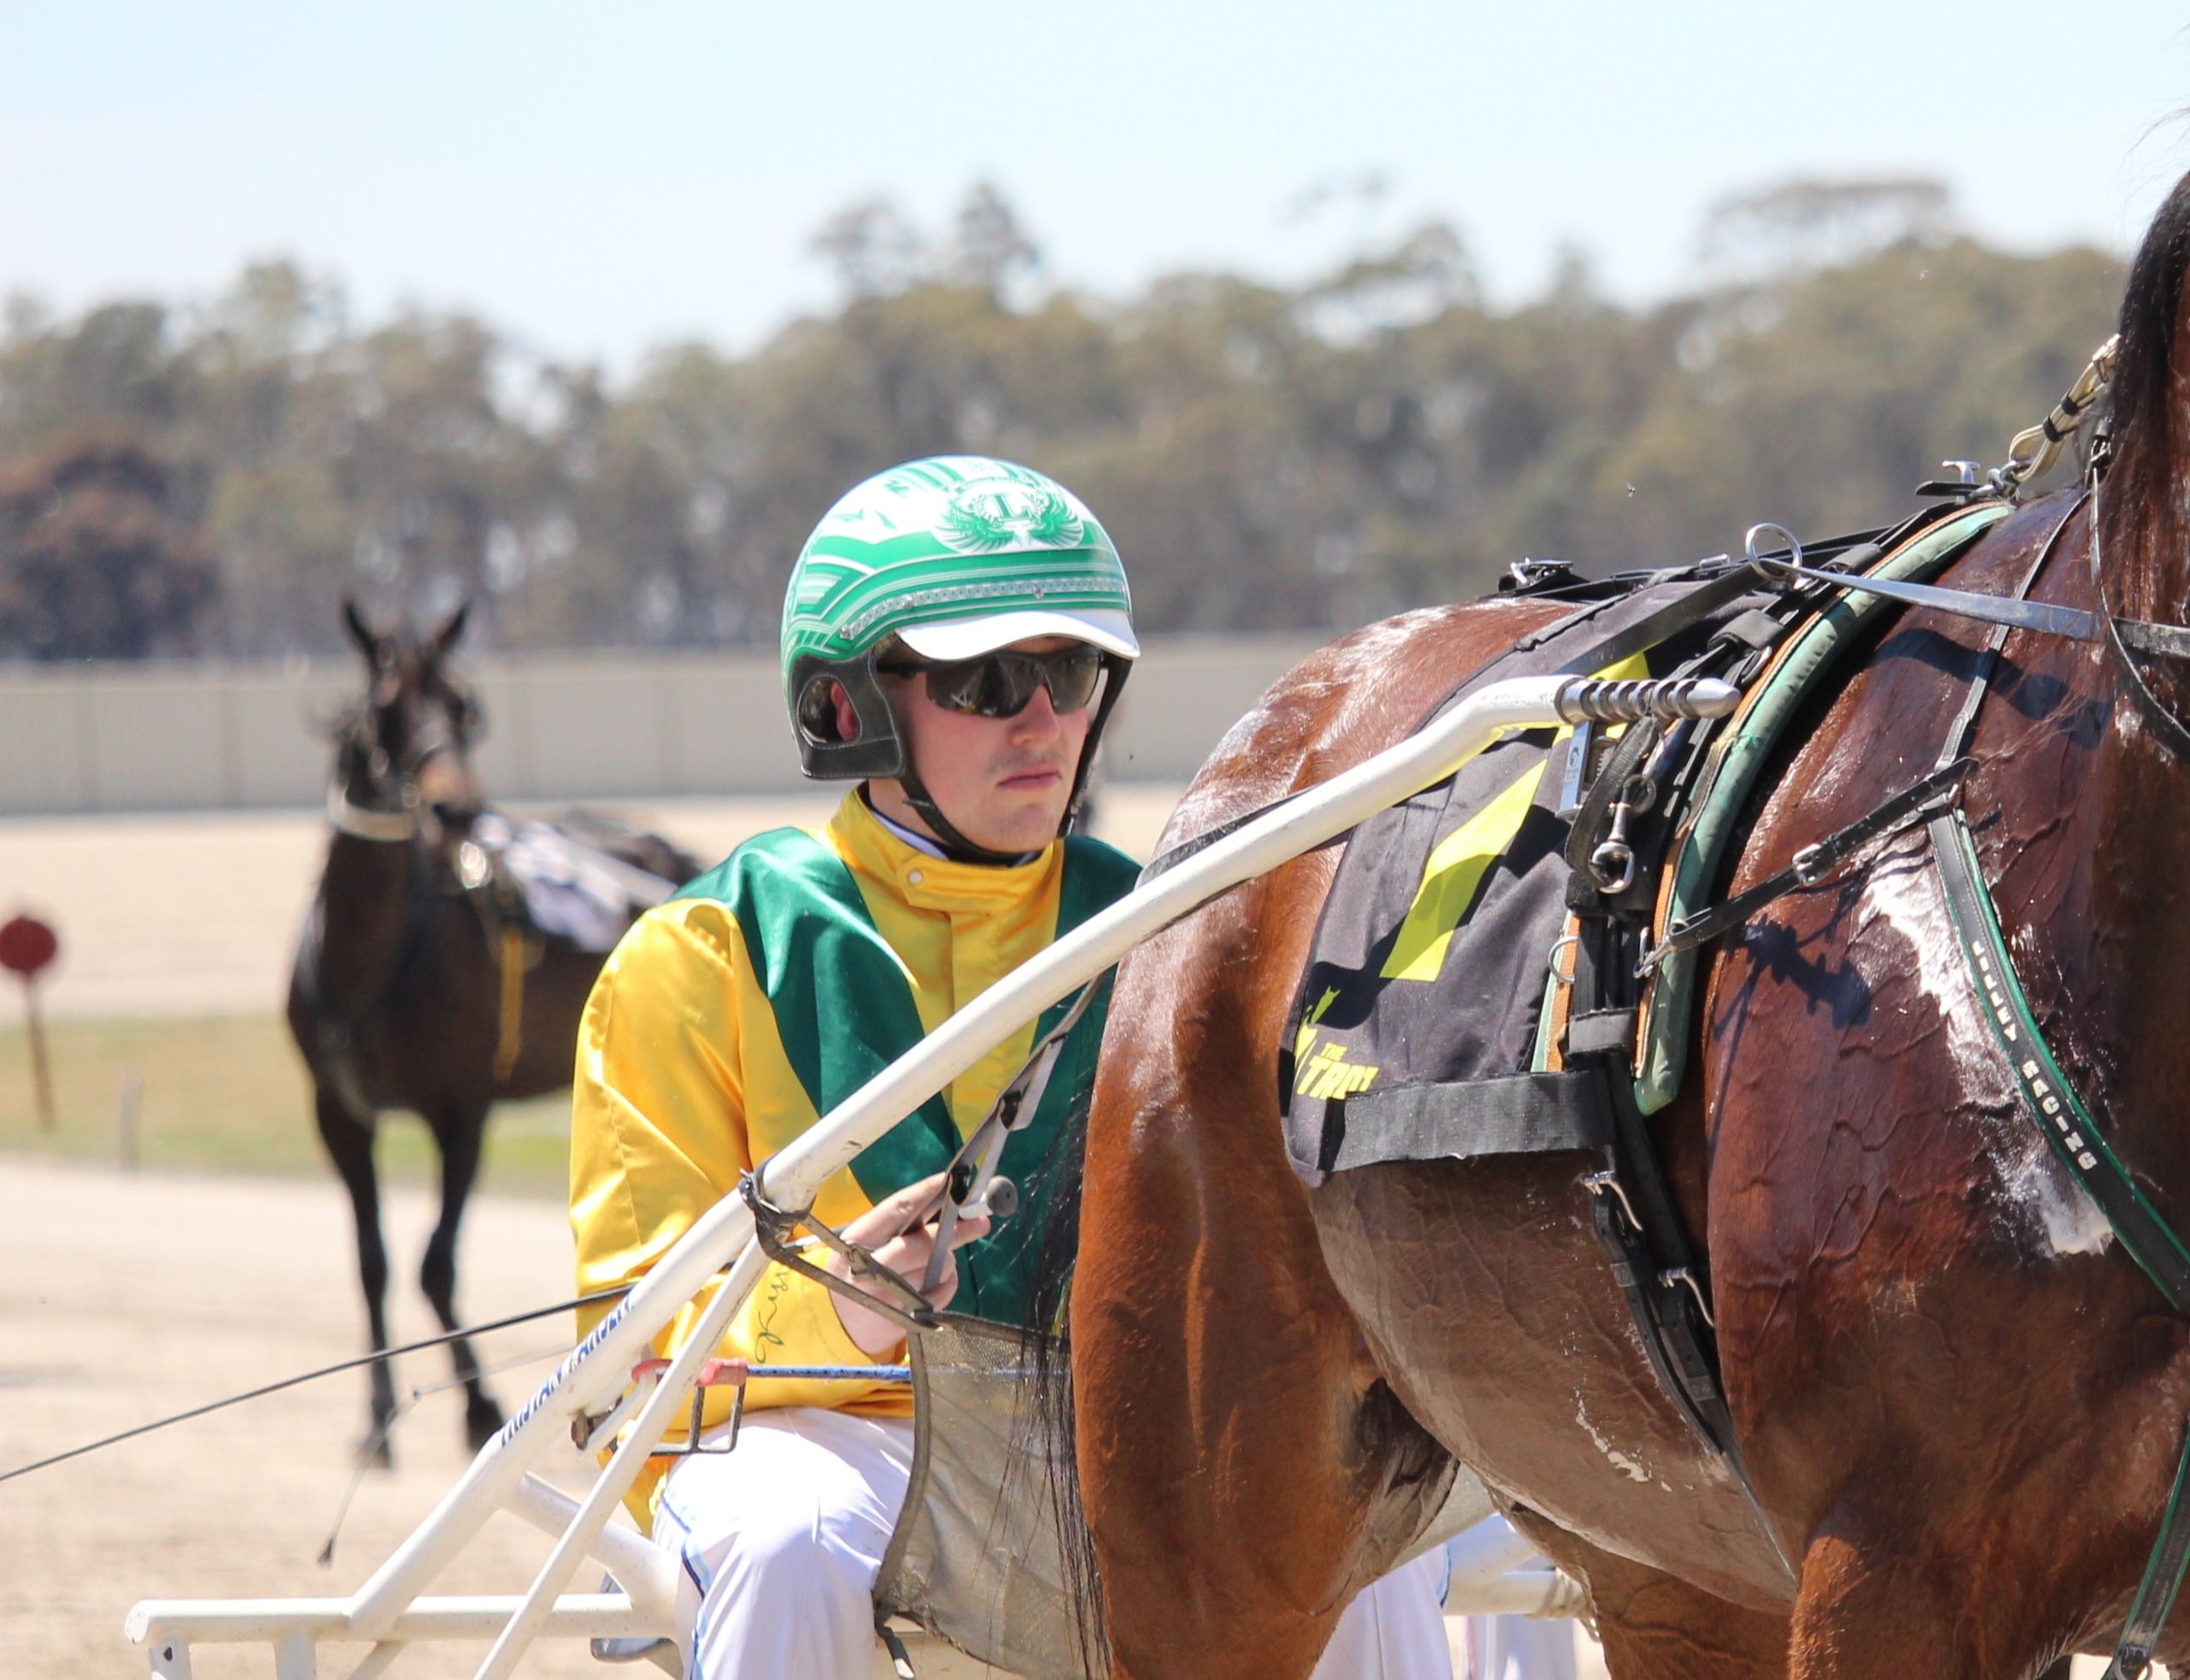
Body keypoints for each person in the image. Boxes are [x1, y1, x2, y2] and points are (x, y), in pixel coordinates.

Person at [570, 454, 1452, 1680]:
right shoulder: (702, 954)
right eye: (985, 680)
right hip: (826, 1442)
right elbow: (632, 1353)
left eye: (1070, 672)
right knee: (793, 1547)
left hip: (1109, 1435)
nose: (1042, 720)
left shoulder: (1165, 927)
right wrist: (834, 1306)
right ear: (849, 708)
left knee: (1353, 1555)